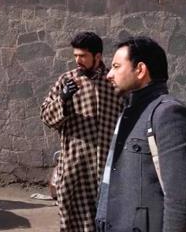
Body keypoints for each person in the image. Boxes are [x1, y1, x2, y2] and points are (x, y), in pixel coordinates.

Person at [96, 36, 186, 232]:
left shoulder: (168, 114)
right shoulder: (130, 112)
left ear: (140, 70)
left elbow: (182, 200)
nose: (109, 75)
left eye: (116, 66)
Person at [41, 32, 122, 232]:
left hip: (109, 166)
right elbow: (46, 116)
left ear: (97, 56)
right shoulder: (66, 81)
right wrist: (63, 99)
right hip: (75, 167)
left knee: (109, 220)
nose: (78, 60)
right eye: (75, 55)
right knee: (73, 221)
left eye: (83, 56)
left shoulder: (113, 82)